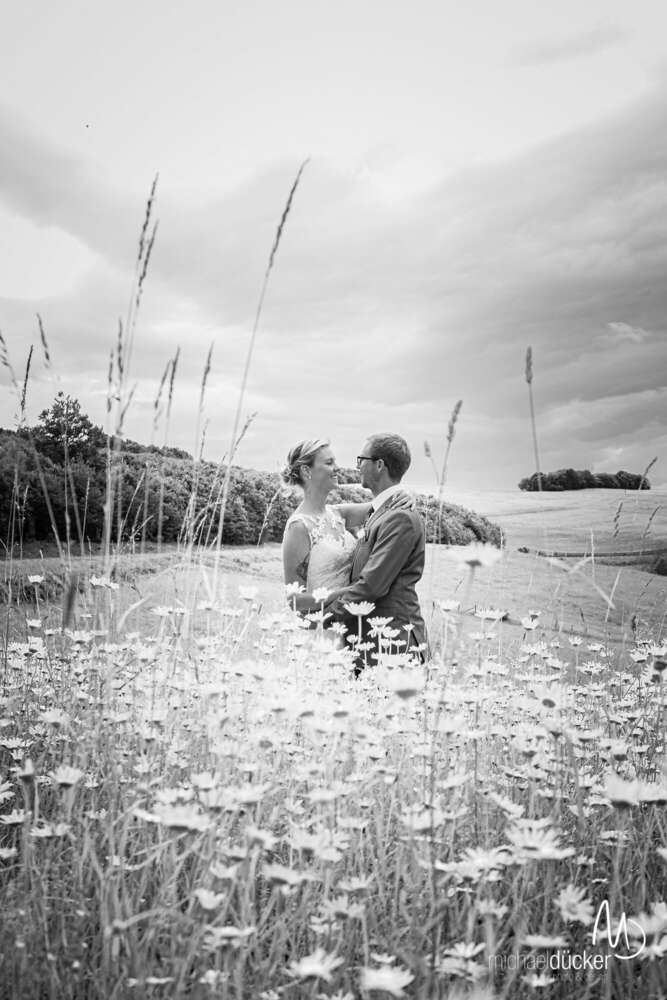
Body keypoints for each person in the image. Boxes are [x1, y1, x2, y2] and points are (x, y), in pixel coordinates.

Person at [324, 433, 427, 671]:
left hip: (391, 649)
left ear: (379, 465)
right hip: (368, 645)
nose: (357, 466)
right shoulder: (382, 510)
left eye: (361, 459)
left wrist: (322, 616)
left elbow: (371, 586)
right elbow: (330, 513)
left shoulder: (399, 517)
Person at [281, 439, 412, 616]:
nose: (337, 467)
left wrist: (405, 495)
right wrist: (354, 592)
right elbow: (295, 601)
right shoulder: (298, 526)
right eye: (329, 463)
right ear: (306, 471)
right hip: (320, 628)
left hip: (349, 625)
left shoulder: (339, 514)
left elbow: (384, 503)